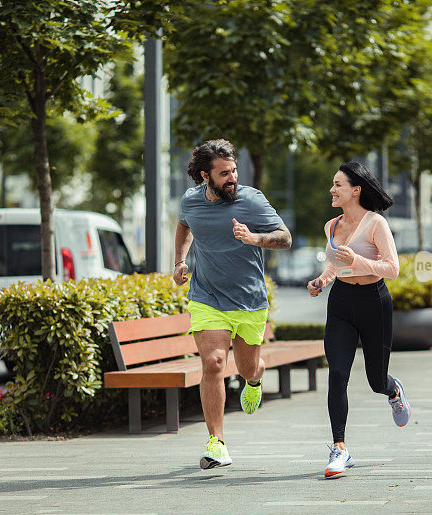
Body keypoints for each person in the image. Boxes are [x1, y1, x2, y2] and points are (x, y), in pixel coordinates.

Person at [173, 138, 292, 470]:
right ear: (204, 176)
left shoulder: (252, 201)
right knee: (213, 363)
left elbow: (286, 237)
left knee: (246, 368)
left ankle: (255, 377)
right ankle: (217, 442)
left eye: (234, 170)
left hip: (249, 300)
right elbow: (184, 224)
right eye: (224, 173)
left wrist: (255, 238)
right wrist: (179, 260)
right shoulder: (191, 201)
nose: (232, 178)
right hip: (207, 297)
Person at [306, 161, 410, 478]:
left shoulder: (375, 223)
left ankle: (393, 392)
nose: (332, 189)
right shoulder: (331, 226)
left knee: (375, 380)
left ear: (355, 190)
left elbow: (393, 269)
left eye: (338, 184)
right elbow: (337, 265)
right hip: (341, 302)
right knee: (337, 374)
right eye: (332, 184)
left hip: (374, 303)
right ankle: (340, 449)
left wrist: (359, 260)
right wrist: (322, 280)